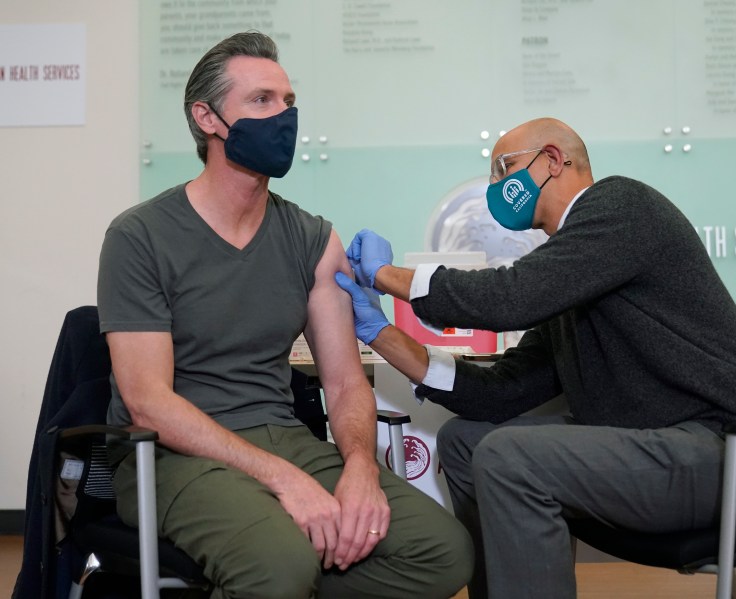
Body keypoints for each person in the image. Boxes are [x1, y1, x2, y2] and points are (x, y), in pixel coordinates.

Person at [334, 117, 736, 598]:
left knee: (508, 456)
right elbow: (499, 393)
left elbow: (506, 299)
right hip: (667, 445)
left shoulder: (622, 207)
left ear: (553, 160)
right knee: (465, 441)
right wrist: (379, 332)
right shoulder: (579, 271)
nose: (496, 188)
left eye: (504, 170)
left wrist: (385, 276)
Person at [97, 32, 472, 599]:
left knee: (443, 553)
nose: (283, 117)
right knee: (280, 566)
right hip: (174, 455)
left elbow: (346, 382)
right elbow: (148, 401)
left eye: (288, 102)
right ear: (207, 117)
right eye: (261, 101)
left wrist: (361, 471)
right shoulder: (140, 237)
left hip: (286, 438)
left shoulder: (312, 238)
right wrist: (282, 480)